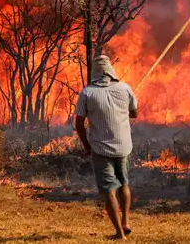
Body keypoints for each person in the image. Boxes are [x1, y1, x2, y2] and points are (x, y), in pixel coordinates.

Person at [75, 54, 138, 240]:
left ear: (94, 73)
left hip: (100, 149)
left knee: (109, 190)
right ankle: (126, 221)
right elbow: (134, 113)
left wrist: (86, 146)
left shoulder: (87, 93)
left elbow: (79, 124)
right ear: (111, 71)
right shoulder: (125, 88)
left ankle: (119, 233)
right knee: (124, 183)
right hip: (123, 146)